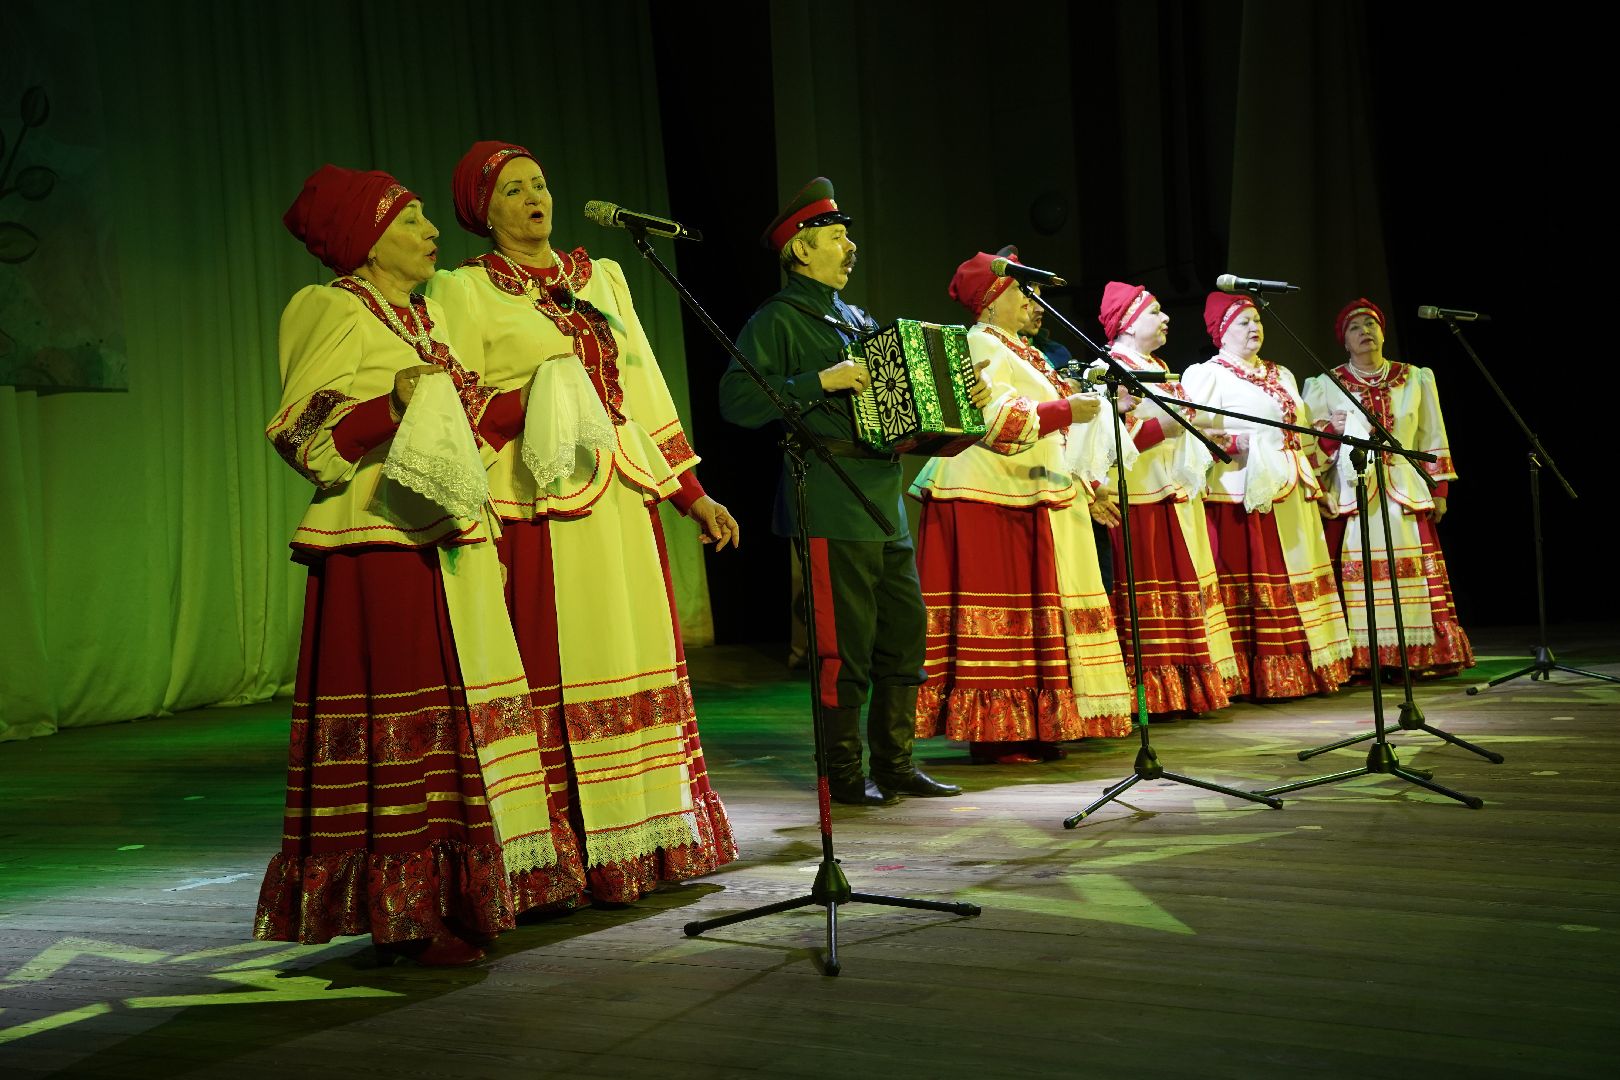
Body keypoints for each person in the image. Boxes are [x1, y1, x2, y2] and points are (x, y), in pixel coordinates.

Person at [256, 165, 568, 965]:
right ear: (366, 239)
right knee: (409, 722)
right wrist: (389, 406)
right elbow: (302, 433)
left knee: (460, 720)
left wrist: (547, 389)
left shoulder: (420, 318)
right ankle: (409, 910)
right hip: (378, 539)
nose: (432, 233)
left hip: (446, 535)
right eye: (411, 221)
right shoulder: (327, 306)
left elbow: (471, 416)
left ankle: (456, 896)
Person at [427, 140, 736, 905]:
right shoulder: (465, 290)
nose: (535, 198)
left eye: (541, 184)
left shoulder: (603, 277)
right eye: (514, 191)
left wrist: (691, 492)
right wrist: (519, 409)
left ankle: (647, 840)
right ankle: (557, 861)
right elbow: (452, 395)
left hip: (621, 501)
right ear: (484, 211)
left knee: (630, 650)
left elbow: (645, 384)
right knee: (556, 661)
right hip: (541, 506)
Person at [720, 177, 966, 806]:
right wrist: (817, 381)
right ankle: (844, 774)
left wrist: (946, 414)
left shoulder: (856, 318)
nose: (850, 246)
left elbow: (893, 404)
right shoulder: (777, 320)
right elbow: (738, 401)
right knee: (844, 647)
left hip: (885, 493)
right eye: (836, 237)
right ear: (801, 250)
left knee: (905, 635)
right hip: (830, 491)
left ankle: (896, 764)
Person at [910, 254, 1133, 764]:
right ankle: (996, 730)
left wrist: (1089, 484)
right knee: (1004, 609)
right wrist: (1064, 410)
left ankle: (1032, 723)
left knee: (1035, 611)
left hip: (1030, 492)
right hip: (988, 494)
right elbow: (993, 420)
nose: (1033, 301)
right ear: (992, 298)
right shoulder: (981, 341)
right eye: (1021, 290)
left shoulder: (1026, 351)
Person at [1180, 293, 1351, 699]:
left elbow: (1301, 432)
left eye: (1257, 320)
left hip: (1292, 491)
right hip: (1244, 497)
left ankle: (1309, 667)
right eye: (1242, 322)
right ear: (1221, 331)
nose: (1254, 328)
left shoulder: (1283, 374)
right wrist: (1238, 441)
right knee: (1261, 580)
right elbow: (1194, 435)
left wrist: (1321, 471)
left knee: (1300, 577)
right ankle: (1258, 676)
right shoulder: (1208, 374)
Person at [1303, 299, 1473, 676]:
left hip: (1406, 492)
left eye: (1371, 324)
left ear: (1383, 332)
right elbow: (1310, 449)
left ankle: (1421, 654)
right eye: (1355, 328)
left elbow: (1432, 436)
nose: (1365, 332)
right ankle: (1364, 660)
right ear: (1344, 342)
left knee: (1412, 573)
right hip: (1354, 493)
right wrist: (1331, 431)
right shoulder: (1325, 385)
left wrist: (1440, 490)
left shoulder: (1414, 379)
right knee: (1358, 573)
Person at [1097, 282, 1239, 713]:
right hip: (1140, 497)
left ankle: (1184, 688)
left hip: (1173, 494)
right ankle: (1151, 696)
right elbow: (1107, 440)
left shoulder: (1157, 365)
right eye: (1155, 311)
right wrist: (1168, 428)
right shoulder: (1109, 369)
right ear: (1127, 322)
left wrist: (1200, 437)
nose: (1166, 318)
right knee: (1149, 594)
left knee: (1185, 587)